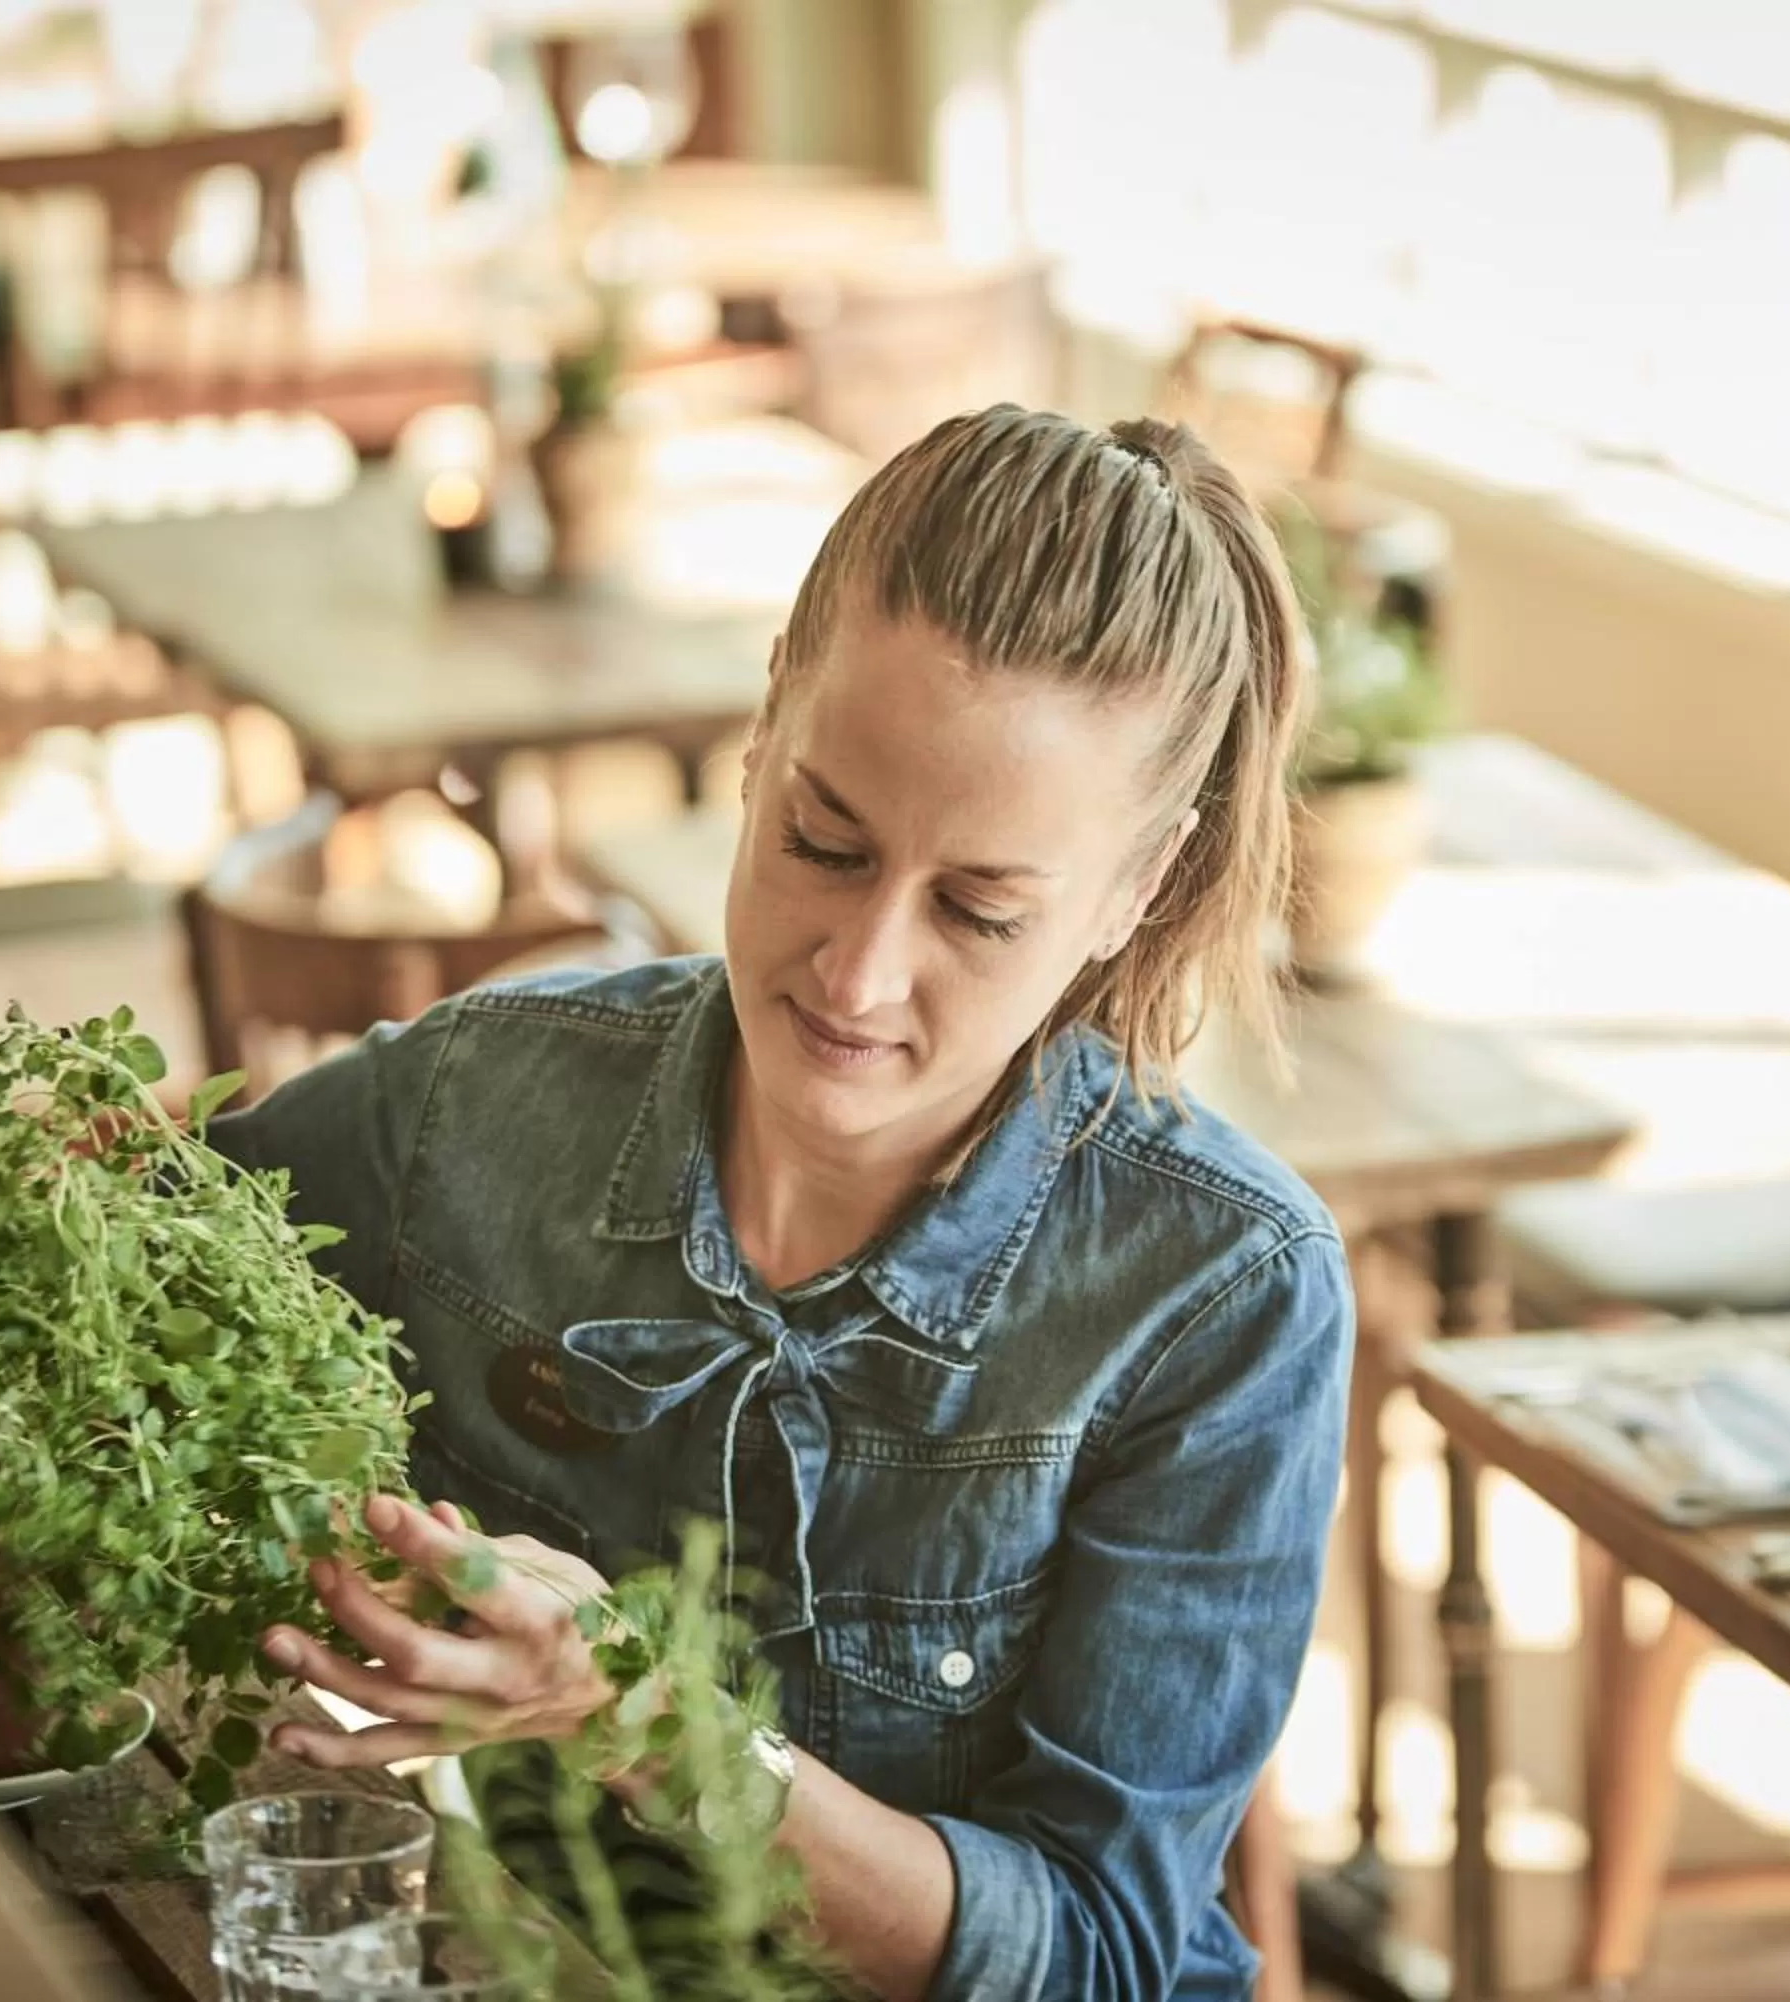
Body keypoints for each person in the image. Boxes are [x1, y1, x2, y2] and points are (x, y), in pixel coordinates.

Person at [219, 404, 1354, 2001]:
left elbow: (1093, 1957)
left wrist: (636, 1711)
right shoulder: (469, 1110)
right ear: (765, 726)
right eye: (825, 839)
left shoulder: (1222, 1294)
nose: (860, 969)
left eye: (979, 909)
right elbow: (150, 1234)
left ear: (1134, 890)